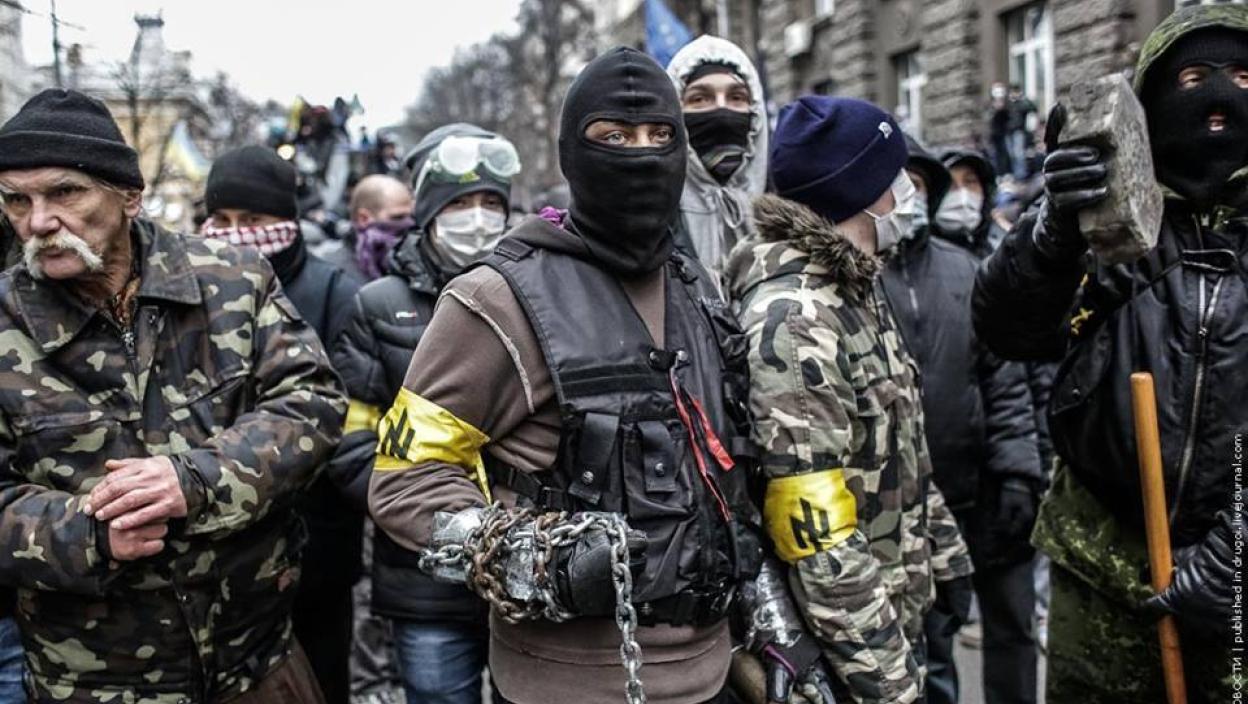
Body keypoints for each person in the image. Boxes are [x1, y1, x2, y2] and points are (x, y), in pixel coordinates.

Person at [369, 47, 766, 703]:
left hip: (712, 671)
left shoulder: (697, 288)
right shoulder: (495, 300)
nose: (641, 155)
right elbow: (404, 481)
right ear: (572, 154)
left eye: (659, 136)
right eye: (614, 137)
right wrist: (534, 560)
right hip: (564, 682)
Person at [0, 88, 345, 703]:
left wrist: (197, 480)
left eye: (65, 192)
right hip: (91, 682)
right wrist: (87, 535)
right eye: (15, 199)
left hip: (256, 663)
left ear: (129, 196)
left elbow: (312, 402)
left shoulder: (232, 281)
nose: (39, 222)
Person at [972, 6, 1247, 700]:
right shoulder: (1109, 216)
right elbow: (1008, 332)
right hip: (1099, 570)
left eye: (1244, 78)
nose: (1218, 101)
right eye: (1193, 78)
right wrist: (1051, 235)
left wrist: (1240, 550)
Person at [725, 96, 972, 703]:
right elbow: (816, 535)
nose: (907, 191)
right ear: (863, 190)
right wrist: (888, 679)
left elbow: (903, 452)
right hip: (848, 654)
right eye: (897, 176)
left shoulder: (854, 288)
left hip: (896, 611)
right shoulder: (797, 321)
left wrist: (947, 558)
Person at [333, 123, 520, 704]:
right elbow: (350, 442)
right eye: (461, 203)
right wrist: (433, 511)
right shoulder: (378, 305)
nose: (478, 218)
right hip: (423, 572)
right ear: (431, 210)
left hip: (528, 564)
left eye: (491, 202)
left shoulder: (535, 294)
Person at [883, 136, 1044, 704]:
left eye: (916, 186)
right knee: (931, 642)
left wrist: (1019, 472)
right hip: (910, 506)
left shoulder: (968, 271)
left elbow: (1004, 380)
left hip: (984, 490)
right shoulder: (861, 278)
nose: (905, 197)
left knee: (1013, 627)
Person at [203, 145, 362, 704]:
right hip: (221, 548)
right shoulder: (194, 291)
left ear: (286, 221)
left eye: (252, 220)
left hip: (316, 545)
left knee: (320, 677)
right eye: (221, 220)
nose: (235, 234)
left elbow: (345, 415)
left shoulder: (335, 292)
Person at [666, 35, 769, 276]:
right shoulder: (652, 223)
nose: (722, 110)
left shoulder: (789, 219)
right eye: (700, 99)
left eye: (736, 97)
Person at [321, 174, 414, 282]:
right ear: (364, 219)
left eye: (411, 216)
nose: (408, 223)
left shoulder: (409, 261)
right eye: (398, 217)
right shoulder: (332, 273)